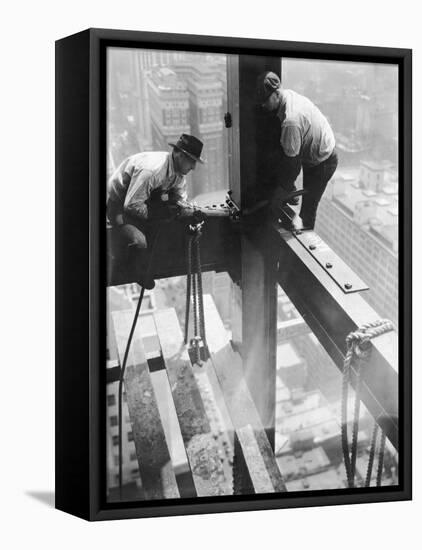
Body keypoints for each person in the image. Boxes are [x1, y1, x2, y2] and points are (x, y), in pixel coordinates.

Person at [107, 133, 204, 288]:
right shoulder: (153, 171)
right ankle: (136, 271)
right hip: (117, 205)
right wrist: (160, 213)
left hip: (142, 201)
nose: (193, 167)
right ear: (178, 154)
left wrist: (189, 211)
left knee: (166, 225)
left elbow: (180, 199)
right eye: (191, 161)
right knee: (141, 241)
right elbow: (131, 206)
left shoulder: (178, 173)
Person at [255, 71, 338, 230]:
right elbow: (289, 156)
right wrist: (286, 187)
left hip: (323, 161)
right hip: (311, 152)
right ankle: (288, 192)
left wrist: (280, 193)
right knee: (283, 178)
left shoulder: (291, 121)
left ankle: (306, 239)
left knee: (308, 209)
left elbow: (292, 165)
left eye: (265, 100)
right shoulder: (287, 96)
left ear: (276, 93)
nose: (263, 105)